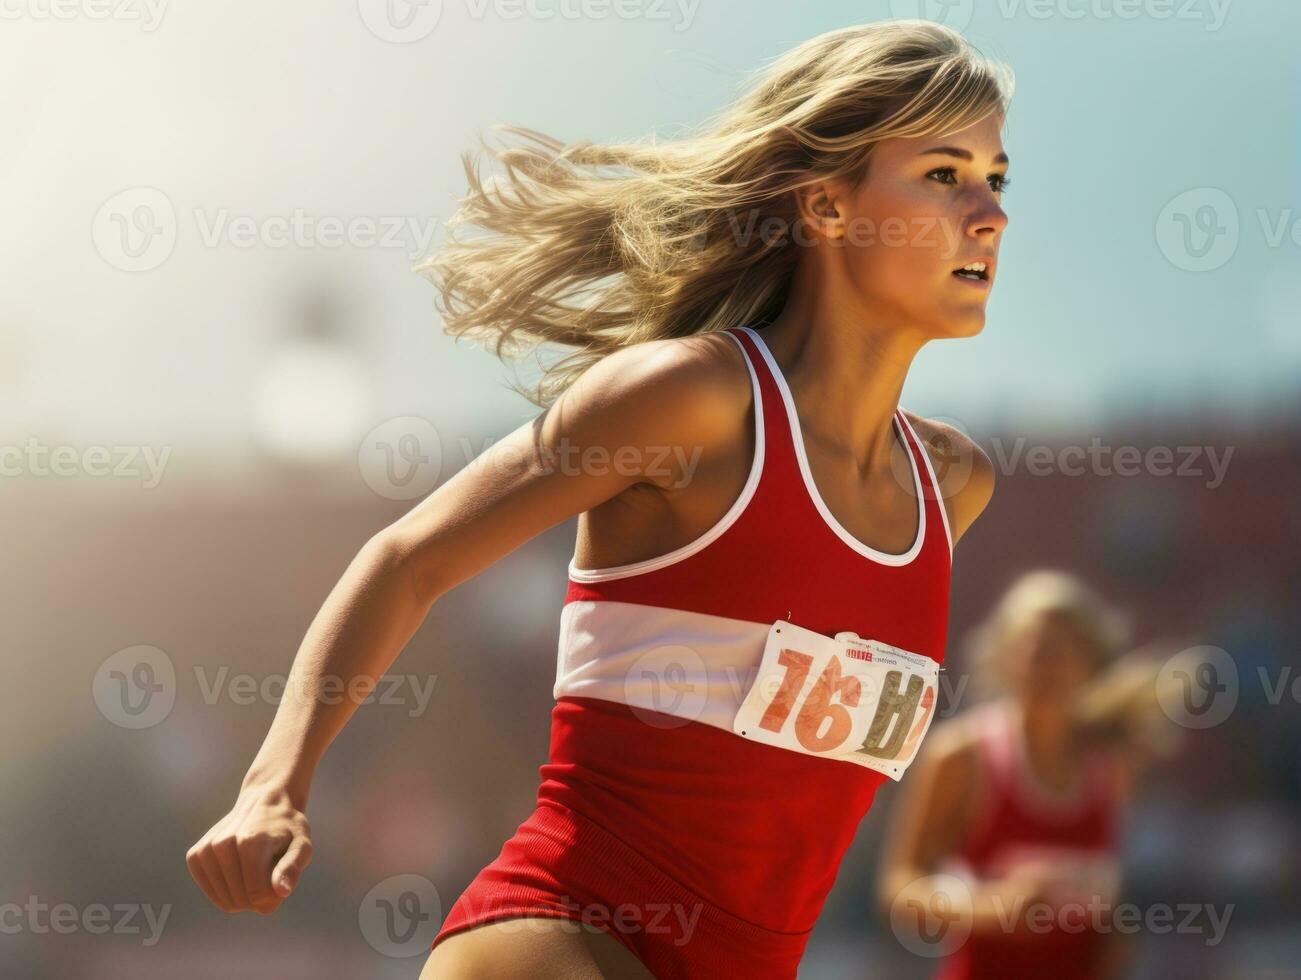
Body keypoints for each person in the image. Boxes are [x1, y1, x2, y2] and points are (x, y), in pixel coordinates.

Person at [186, 19, 1014, 979]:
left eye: (998, 178)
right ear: (825, 206)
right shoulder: (688, 403)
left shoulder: (952, 487)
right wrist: (271, 787)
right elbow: (408, 558)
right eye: (944, 174)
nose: (988, 212)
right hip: (564, 939)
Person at [878, 570, 1177, 980]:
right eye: (1040, 648)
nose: (1053, 665)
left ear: (1092, 665)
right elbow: (901, 888)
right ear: (1005, 655)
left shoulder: (1109, 766)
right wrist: (990, 907)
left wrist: (1116, 934)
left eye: (1070, 650)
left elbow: (1105, 896)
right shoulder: (964, 756)